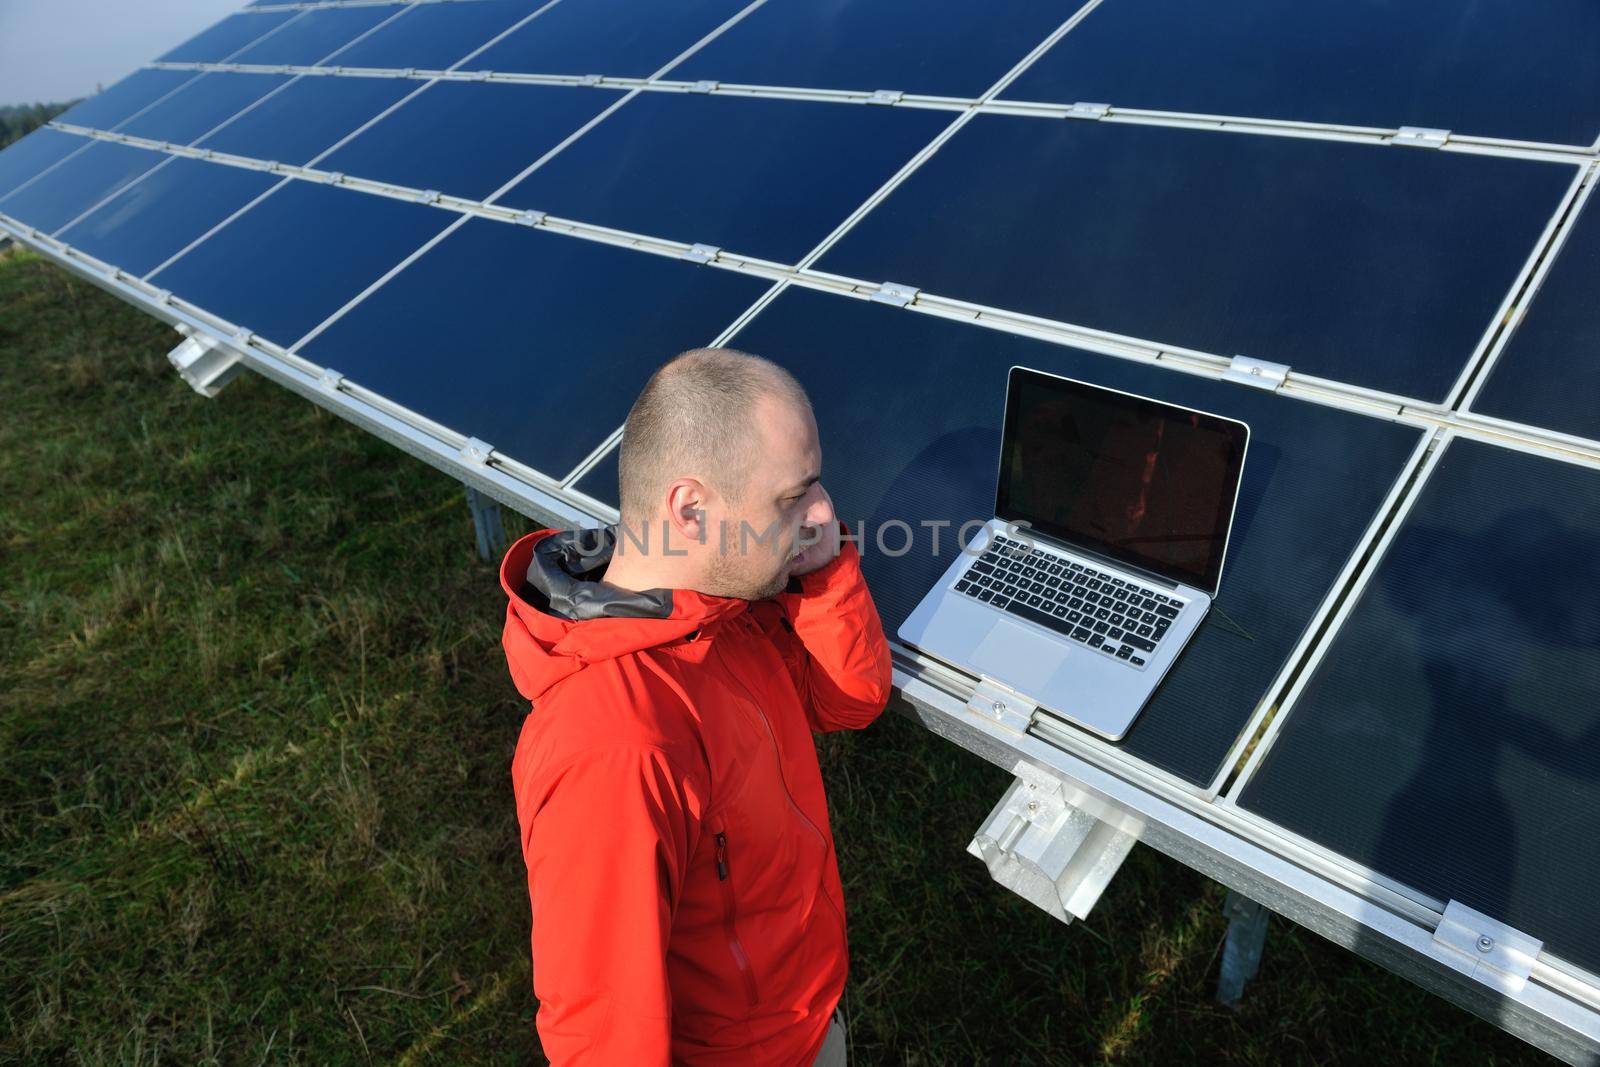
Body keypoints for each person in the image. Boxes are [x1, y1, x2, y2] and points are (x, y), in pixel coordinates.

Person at [498, 348, 893, 1065]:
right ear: (691, 508)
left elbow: (850, 699)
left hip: (801, 1018)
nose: (826, 509)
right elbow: (606, 1035)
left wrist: (823, 563)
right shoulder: (616, 747)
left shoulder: (722, 610)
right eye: (792, 495)